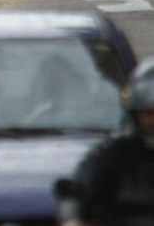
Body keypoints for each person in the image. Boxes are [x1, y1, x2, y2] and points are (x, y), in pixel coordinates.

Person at [60, 56, 154, 226]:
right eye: (147, 113)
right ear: (134, 114)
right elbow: (76, 191)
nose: (152, 121)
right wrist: (72, 219)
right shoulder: (113, 152)